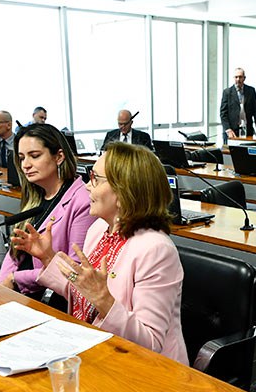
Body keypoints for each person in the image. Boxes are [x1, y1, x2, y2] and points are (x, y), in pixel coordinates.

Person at [11, 142, 187, 364]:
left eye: (95, 178)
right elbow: (84, 294)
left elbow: (150, 342)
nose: (86, 186)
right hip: (97, 349)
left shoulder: (156, 250)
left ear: (124, 191)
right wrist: (47, 257)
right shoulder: (98, 230)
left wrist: (103, 298)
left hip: (145, 370)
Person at [0, 124, 96, 308]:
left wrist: (16, 278)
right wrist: (0, 289)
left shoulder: (82, 200)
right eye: (21, 158)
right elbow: (15, 253)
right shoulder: (34, 197)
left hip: (52, 301)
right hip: (18, 297)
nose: (26, 165)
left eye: (34, 156)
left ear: (59, 156)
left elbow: (73, 268)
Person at [219, 68, 256, 141]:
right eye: (236, 77)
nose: (238, 79)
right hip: (231, 131)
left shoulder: (251, 91)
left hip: (247, 130)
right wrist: (227, 129)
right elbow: (223, 113)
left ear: (244, 78)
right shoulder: (227, 92)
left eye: (240, 77)